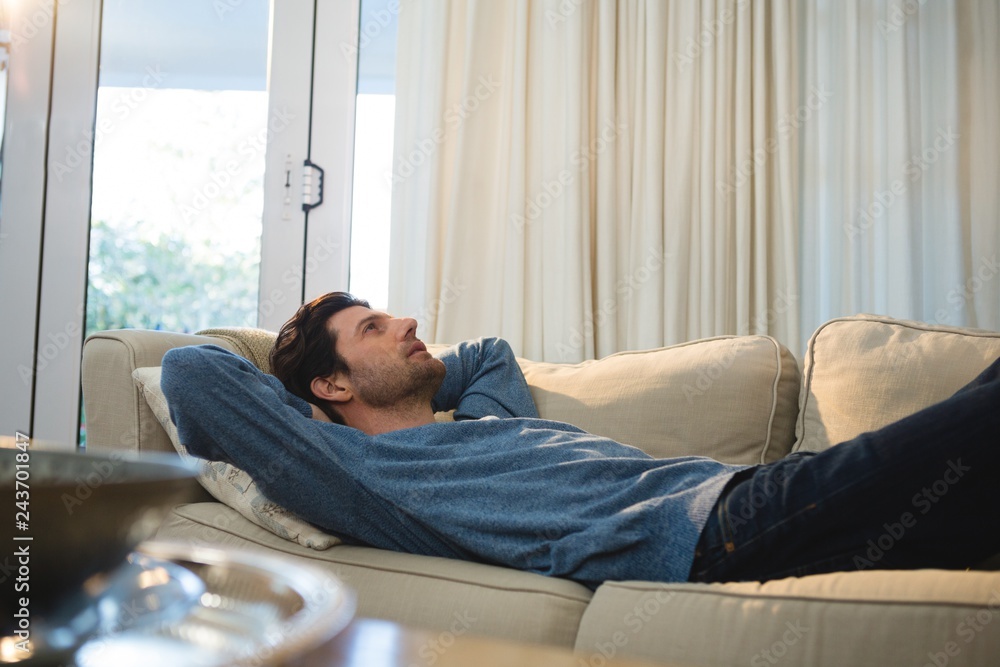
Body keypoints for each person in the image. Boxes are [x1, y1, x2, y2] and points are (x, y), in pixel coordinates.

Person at [161, 291, 1000, 588]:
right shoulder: (359, 468)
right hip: (713, 531)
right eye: (375, 328)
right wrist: (307, 410)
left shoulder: (489, 423)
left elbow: (486, 353)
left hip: (757, 491)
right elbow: (192, 373)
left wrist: (408, 375)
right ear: (331, 386)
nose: (410, 321)